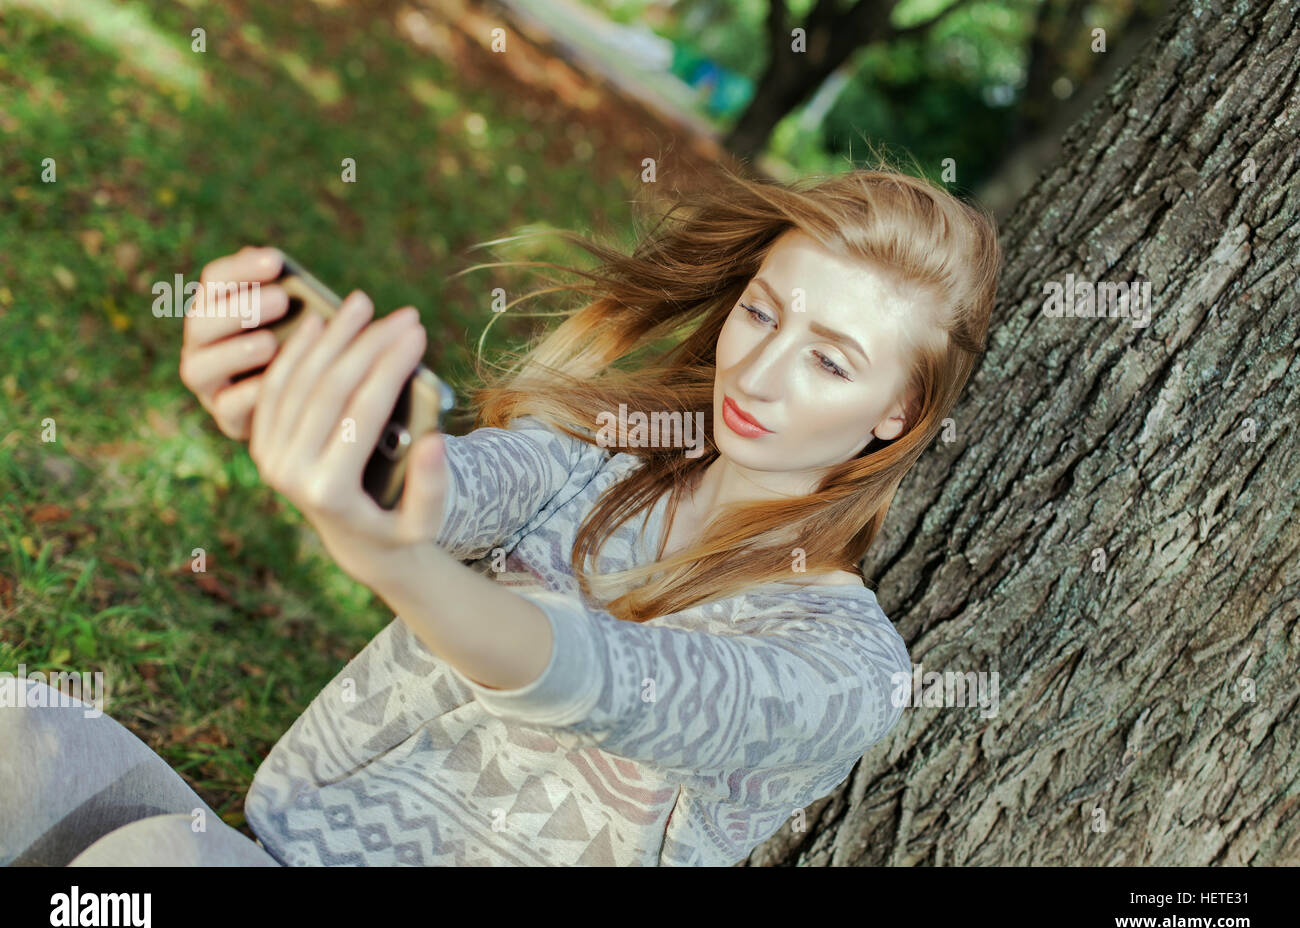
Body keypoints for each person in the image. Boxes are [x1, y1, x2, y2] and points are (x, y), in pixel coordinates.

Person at [1, 163, 1000, 866]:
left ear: (895, 413)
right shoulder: (597, 459)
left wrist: (390, 559)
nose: (761, 369)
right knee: (21, 730)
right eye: (761, 310)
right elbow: (444, 487)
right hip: (271, 850)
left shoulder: (849, 666)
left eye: (829, 359)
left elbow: (605, 679)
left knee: (150, 864)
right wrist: (307, 415)